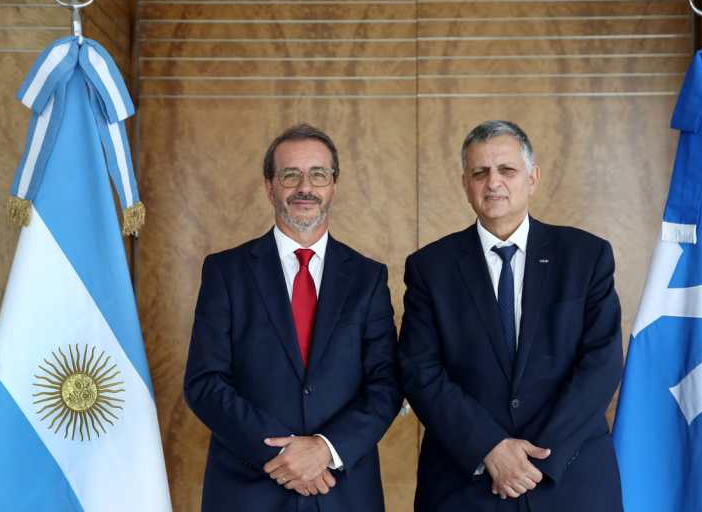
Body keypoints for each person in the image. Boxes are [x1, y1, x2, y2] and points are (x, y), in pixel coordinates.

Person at [398, 120, 624, 511]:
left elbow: (601, 365)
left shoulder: (586, 256)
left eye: (507, 170)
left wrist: (535, 460)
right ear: (465, 183)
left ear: (532, 178)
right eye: (480, 172)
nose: (493, 183)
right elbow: (420, 371)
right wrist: (490, 448)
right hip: (465, 484)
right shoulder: (430, 268)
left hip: (569, 480)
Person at [185, 123, 402, 512]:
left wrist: (325, 449)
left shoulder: (368, 278)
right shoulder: (226, 272)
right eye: (290, 175)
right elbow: (205, 382)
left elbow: (386, 385)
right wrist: (284, 454)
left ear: (333, 186)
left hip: (342, 490)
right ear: (270, 187)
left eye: (318, 175)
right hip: (249, 491)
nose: (305, 187)